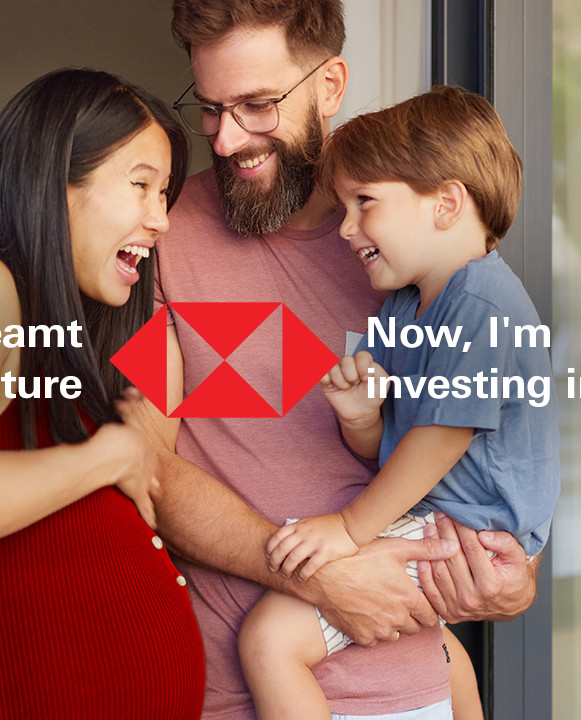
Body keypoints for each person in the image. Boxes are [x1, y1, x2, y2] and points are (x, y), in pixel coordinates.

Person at [138, 1, 542, 718]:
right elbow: (149, 467)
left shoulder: (415, 249)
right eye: (210, 107)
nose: (228, 138)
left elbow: (488, 434)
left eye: (258, 105)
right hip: (240, 690)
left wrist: (514, 575)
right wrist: (317, 576)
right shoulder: (161, 236)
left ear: (329, 86)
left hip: (417, 682)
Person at [0, 68, 204, 718]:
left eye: (164, 193)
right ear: (53, 181)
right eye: (140, 186)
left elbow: (149, 486)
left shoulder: (96, 331)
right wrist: (105, 456)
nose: (160, 219)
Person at [237, 87, 562, 720]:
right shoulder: (405, 308)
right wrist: (362, 418)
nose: (347, 228)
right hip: (448, 516)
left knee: (271, 639)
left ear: (446, 203)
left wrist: (349, 528)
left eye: (365, 204)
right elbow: (394, 444)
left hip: (478, 530)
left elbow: (442, 438)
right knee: (438, 646)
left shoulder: (482, 304)